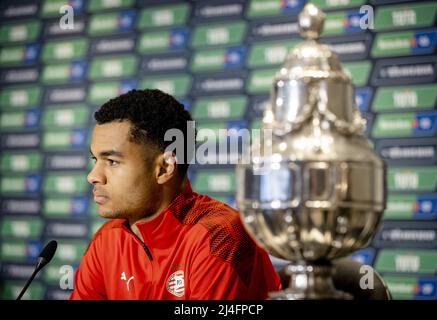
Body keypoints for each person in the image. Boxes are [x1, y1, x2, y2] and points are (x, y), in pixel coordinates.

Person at [69, 89, 281, 300]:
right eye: (95, 160)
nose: (93, 176)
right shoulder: (108, 239)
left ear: (164, 168)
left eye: (112, 162)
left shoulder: (219, 236)